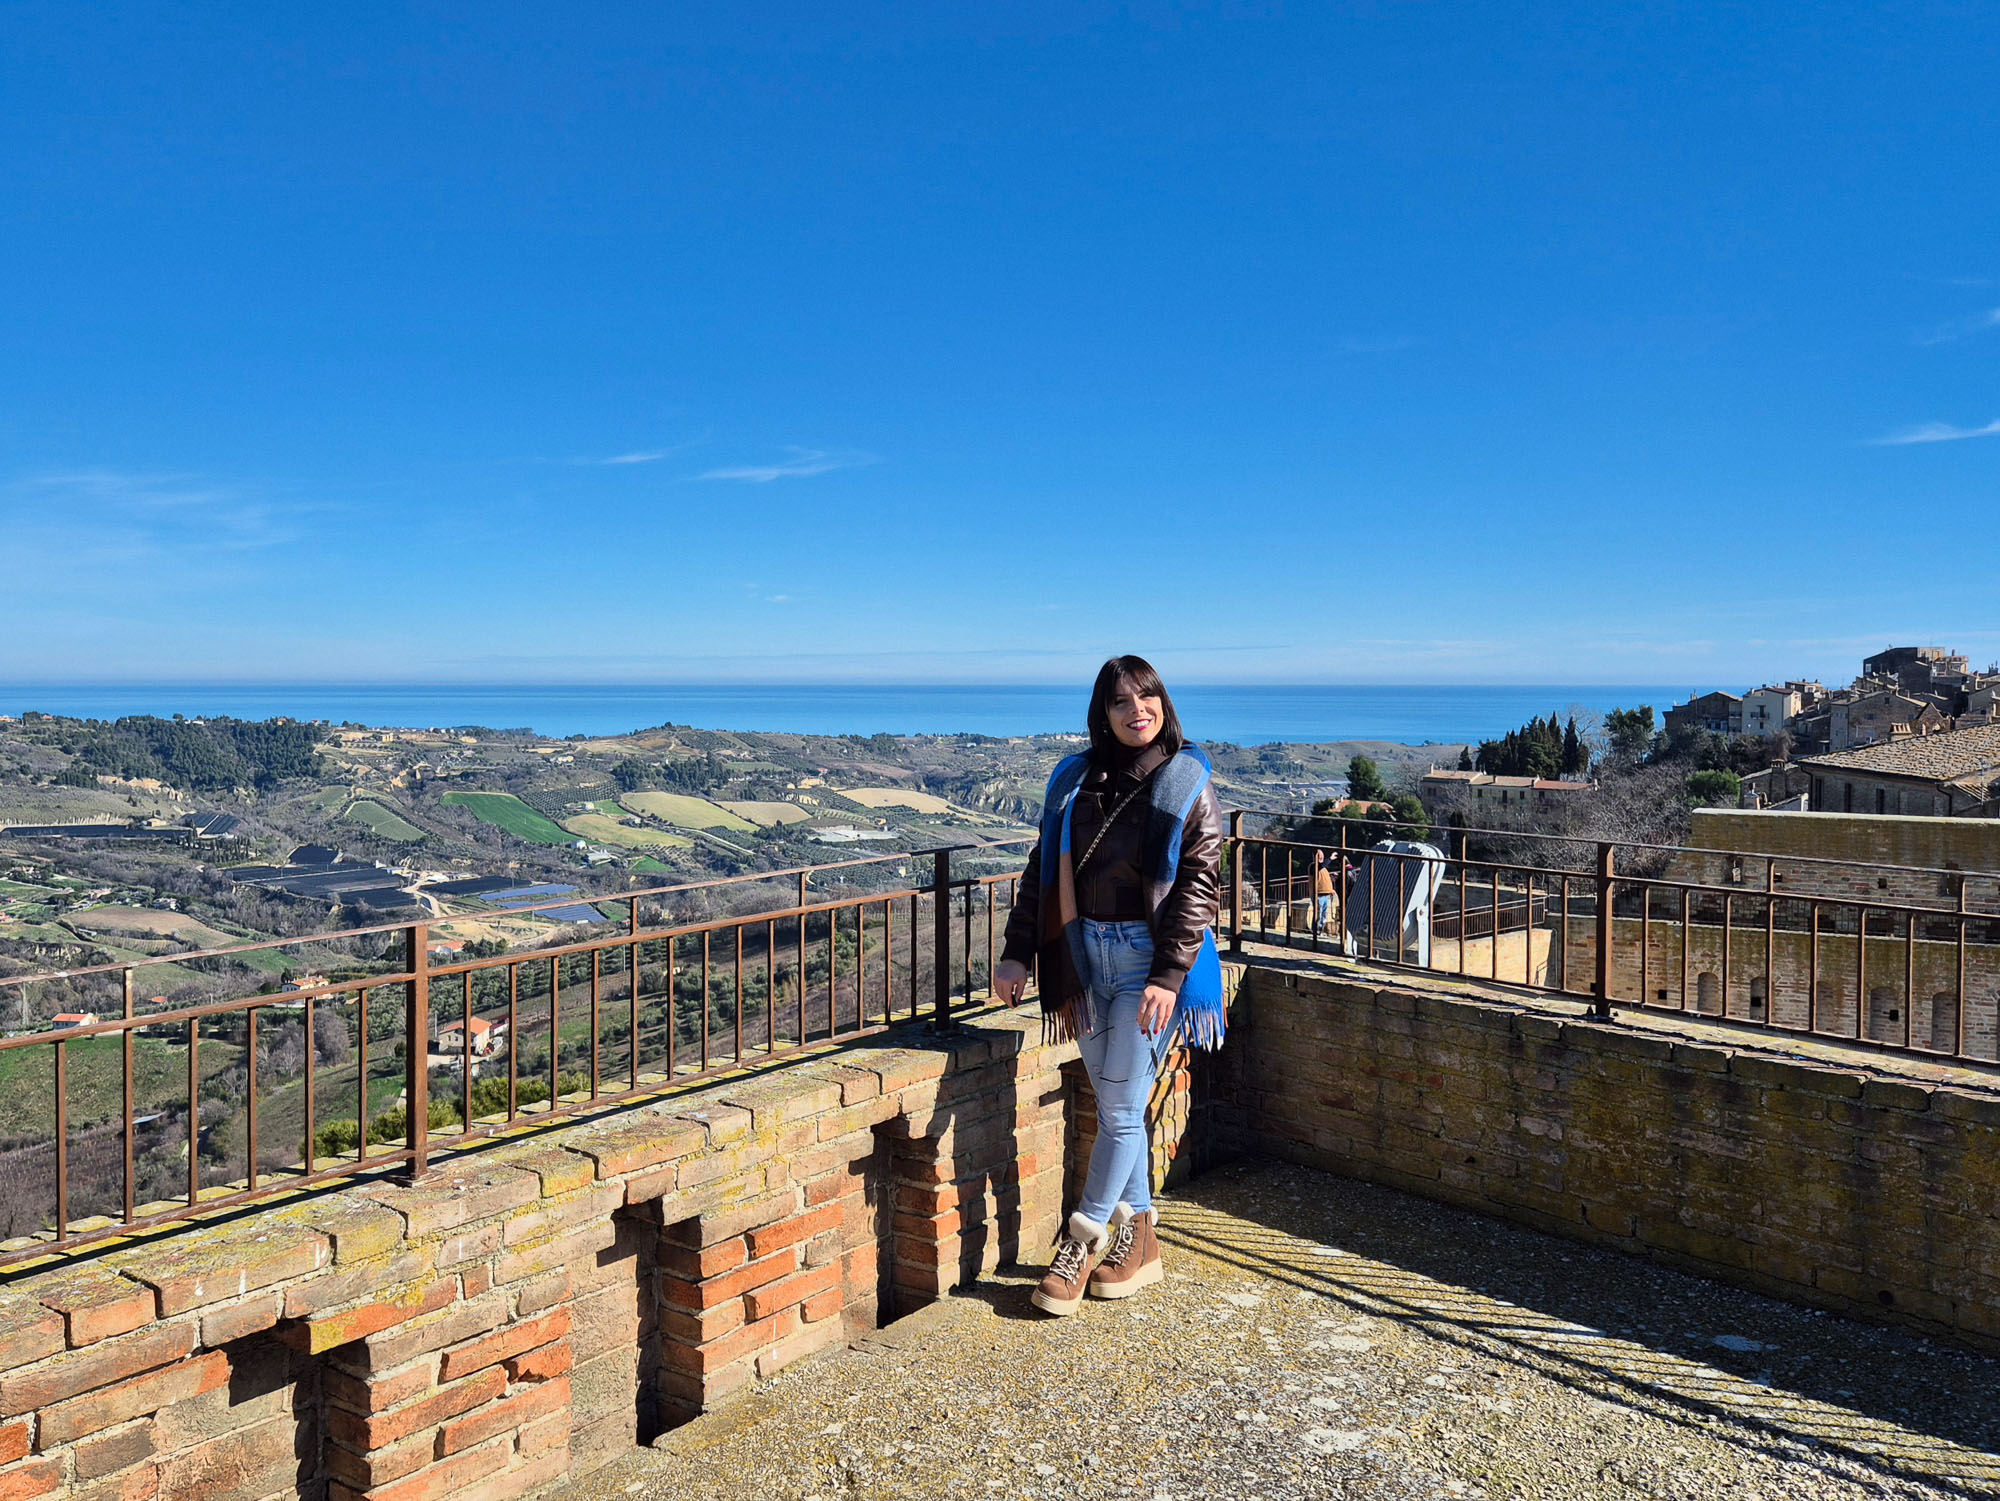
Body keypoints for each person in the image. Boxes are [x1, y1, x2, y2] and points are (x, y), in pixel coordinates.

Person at [992, 655, 1227, 1316]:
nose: (1136, 709)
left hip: (1150, 964)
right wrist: (1017, 953)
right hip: (1082, 956)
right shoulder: (1073, 778)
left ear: (1162, 701)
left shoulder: (1188, 780)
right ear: (1104, 712)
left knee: (1121, 1110)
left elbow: (1198, 888)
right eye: (1121, 700)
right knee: (1118, 1104)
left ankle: (1081, 1241)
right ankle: (1142, 1239)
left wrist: (1168, 976)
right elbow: (1044, 867)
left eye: (1146, 695)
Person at [1313, 849, 1336, 934]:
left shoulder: (1323, 868)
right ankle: (1316, 930)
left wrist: (1331, 890)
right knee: (1318, 915)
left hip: (1326, 895)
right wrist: (1330, 858)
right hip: (1319, 895)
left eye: (1322, 855)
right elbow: (1321, 866)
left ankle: (1320, 930)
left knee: (1324, 915)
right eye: (1319, 855)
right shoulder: (1314, 866)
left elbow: (1324, 880)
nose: (1321, 857)